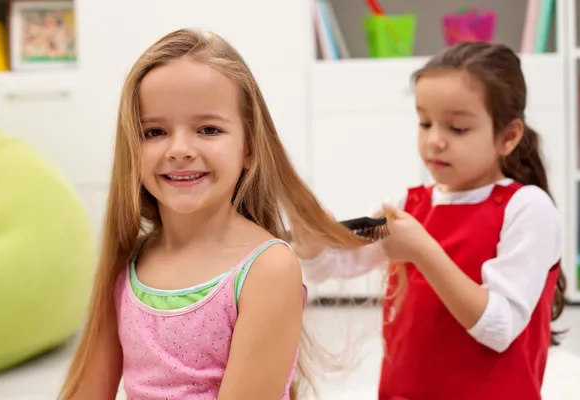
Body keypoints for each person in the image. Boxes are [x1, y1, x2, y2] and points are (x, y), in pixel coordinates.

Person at [58, 28, 368, 400]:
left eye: (208, 129)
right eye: (154, 131)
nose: (180, 149)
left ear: (250, 147)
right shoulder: (127, 260)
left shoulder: (266, 268)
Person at [296, 42, 567, 400]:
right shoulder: (406, 204)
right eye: (425, 123)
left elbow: (500, 327)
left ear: (509, 136)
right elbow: (331, 268)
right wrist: (314, 242)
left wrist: (423, 251)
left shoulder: (528, 209)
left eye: (457, 128)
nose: (434, 141)